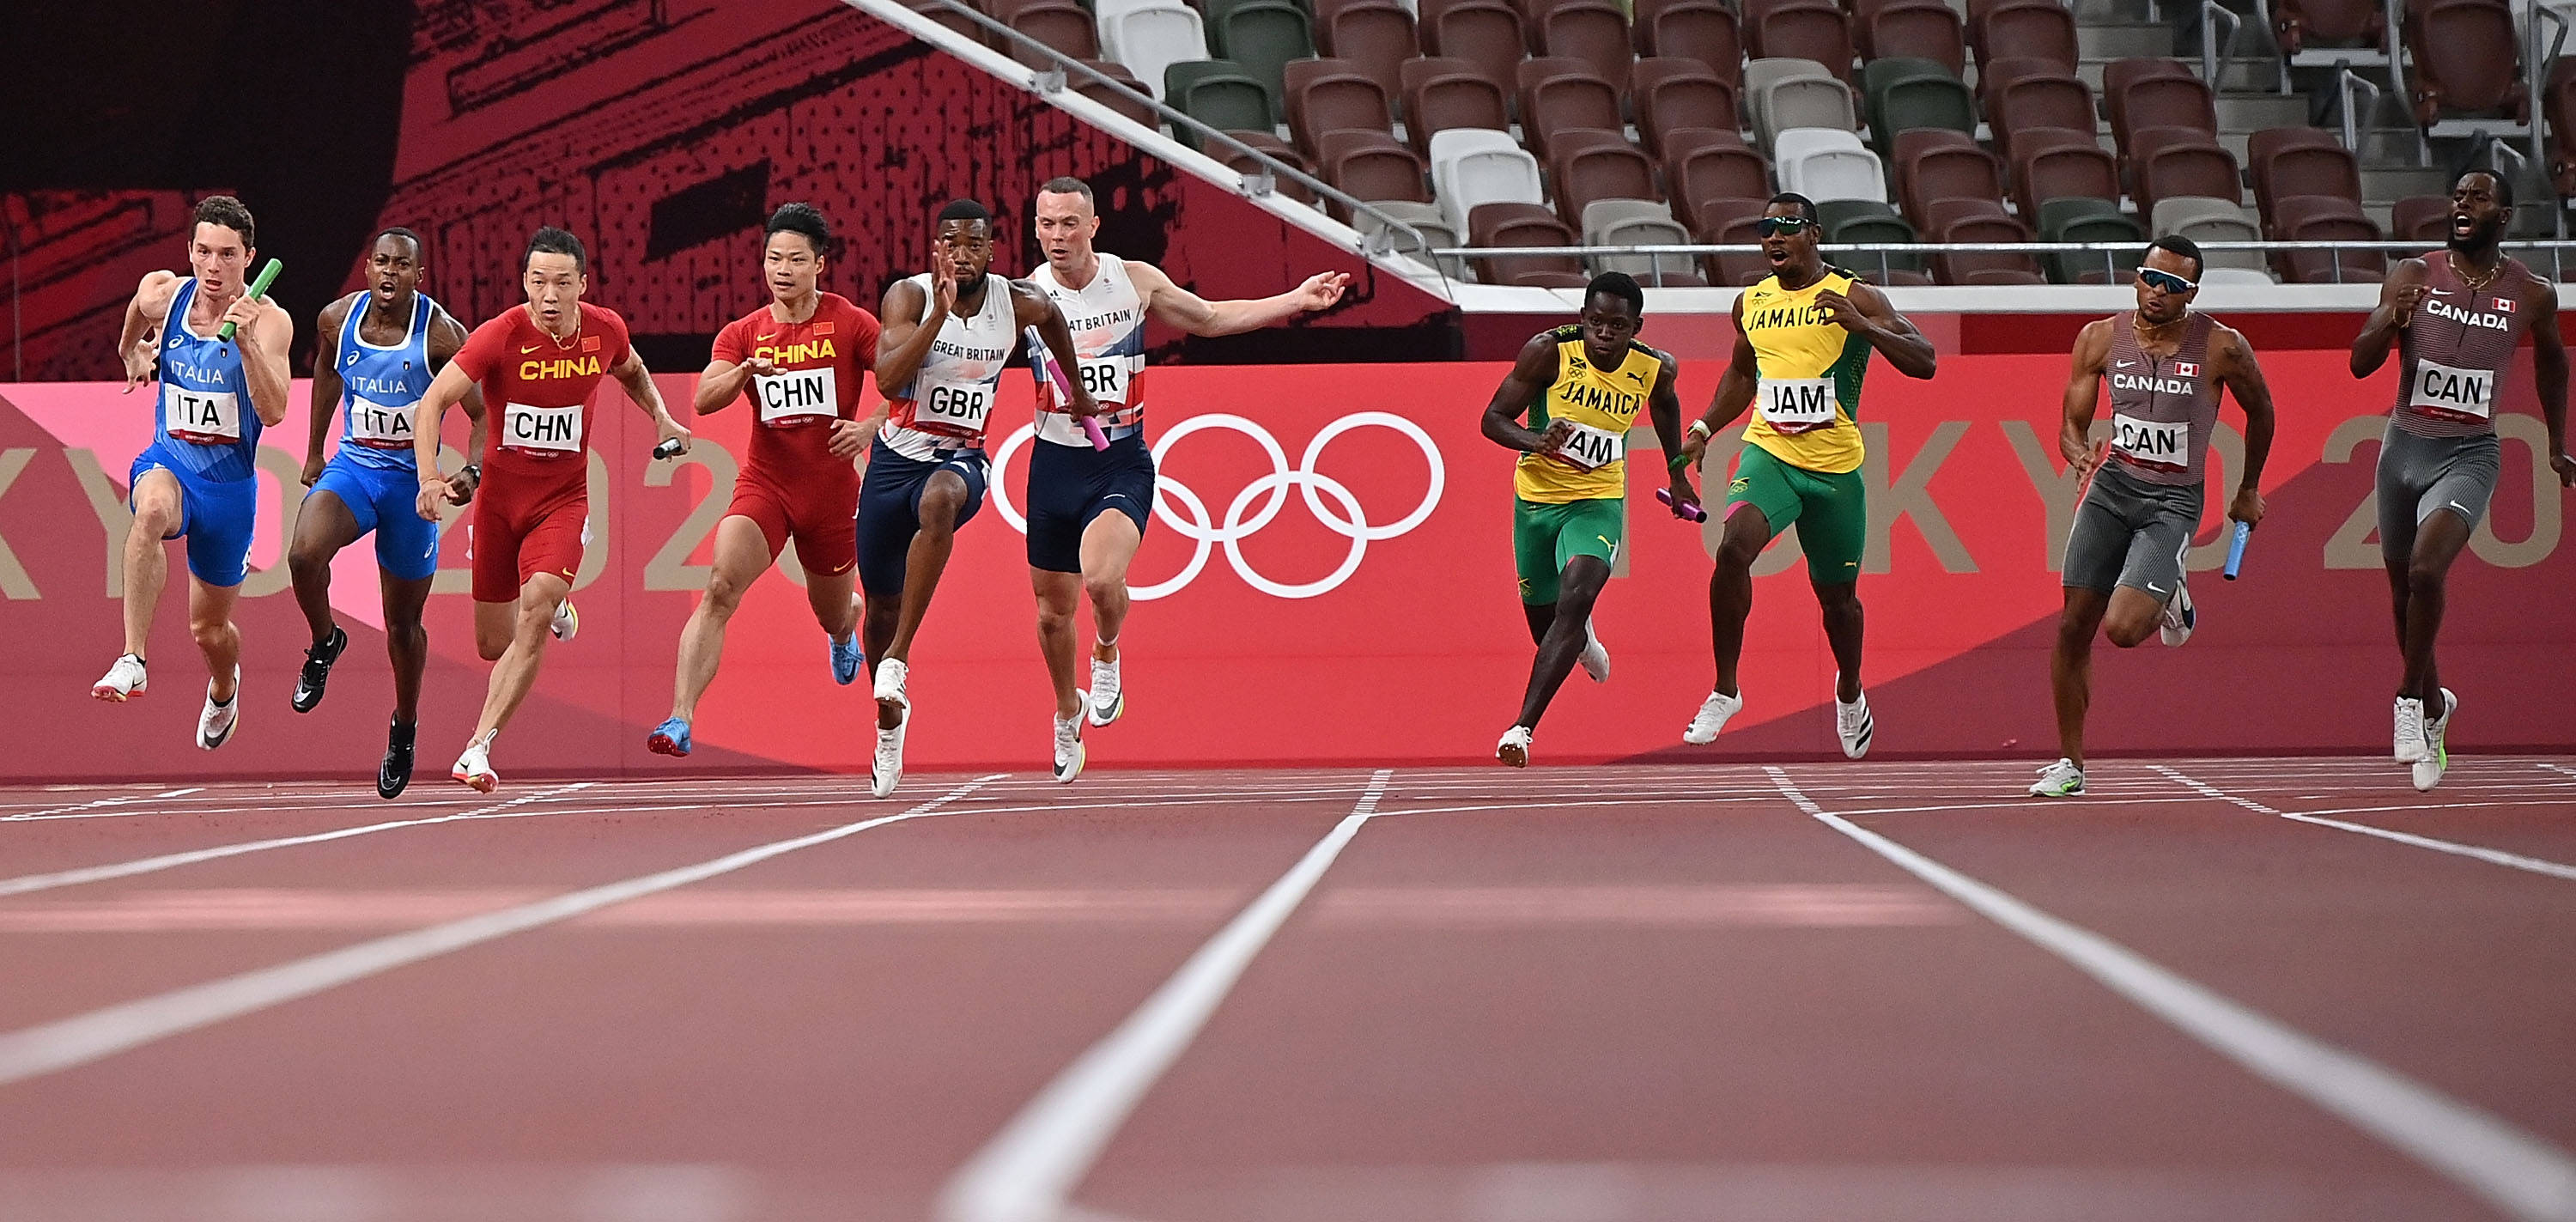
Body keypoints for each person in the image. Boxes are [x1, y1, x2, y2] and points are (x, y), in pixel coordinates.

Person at [1024, 175, 1347, 765]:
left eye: (1070, 224)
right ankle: (1065, 712)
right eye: (1047, 224)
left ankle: (1106, 651)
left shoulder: (1134, 281)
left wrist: (1295, 300)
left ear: (1093, 227)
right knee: (1050, 615)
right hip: (1053, 468)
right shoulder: (1026, 295)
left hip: (1117, 462)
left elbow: (1211, 317)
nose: (1057, 236)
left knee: (1100, 580)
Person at [412, 226, 690, 792]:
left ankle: (477, 747)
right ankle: (556, 610)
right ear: (524, 284)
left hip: (563, 500)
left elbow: (632, 371)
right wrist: (428, 478)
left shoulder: (605, 330)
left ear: (582, 285)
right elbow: (433, 402)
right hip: (497, 504)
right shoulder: (500, 335)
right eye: (539, 281)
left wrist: (660, 416)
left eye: (563, 283)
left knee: (536, 605)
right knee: (494, 643)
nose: (550, 294)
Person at [1675, 192, 1937, 757]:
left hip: (1835, 470)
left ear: (1813, 235)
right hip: (1769, 455)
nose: (1772, 236)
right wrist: (1702, 427)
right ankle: (1726, 688)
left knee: (1838, 601)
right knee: (1731, 550)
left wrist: (1865, 328)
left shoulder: (1853, 294)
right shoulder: (1750, 302)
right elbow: (1743, 377)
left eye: (1786, 226)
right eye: (1765, 227)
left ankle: (1849, 687)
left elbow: (1926, 361)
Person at [2350, 169, 2574, 791]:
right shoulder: (2414, 274)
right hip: (2403, 450)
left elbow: (2553, 363)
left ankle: (2404, 698)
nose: (2462, 204)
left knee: (2427, 570)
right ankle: (2435, 707)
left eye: (2477, 197)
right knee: (2402, 594)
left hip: (2470, 454)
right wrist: (2389, 320)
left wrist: (2557, 444)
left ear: (2504, 215)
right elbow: (2359, 362)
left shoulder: (2532, 292)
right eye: (2457, 196)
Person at [2029, 237, 2275, 798]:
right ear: (2136, 277)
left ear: (2192, 293)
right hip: (2113, 487)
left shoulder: (2222, 347)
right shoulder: (2098, 338)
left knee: (2121, 630)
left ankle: (2170, 593)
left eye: (2173, 286)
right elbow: (2072, 422)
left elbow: (2261, 408)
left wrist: (2249, 488)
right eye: (2150, 278)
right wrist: (2074, 449)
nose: (2157, 292)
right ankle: (2071, 764)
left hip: (2172, 501)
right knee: (2072, 628)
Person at [866, 199, 1095, 794]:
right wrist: (936, 318)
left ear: (992, 250)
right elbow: (888, 380)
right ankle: (890, 722)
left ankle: (901, 658)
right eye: (951, 244)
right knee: (878, 609)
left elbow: (1054, 322)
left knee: (941, 499)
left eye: (973, 245)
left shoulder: (1017, 301)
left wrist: (1075, 390)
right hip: (893, 462)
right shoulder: (909, 298)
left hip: (961, 459)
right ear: (936, 248)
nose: (961, 255)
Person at [648, 204, 881, 758]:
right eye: (774, 258)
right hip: (767, 486)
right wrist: (746, 371)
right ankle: (680, 718)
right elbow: (705, 399)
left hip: (830, 496)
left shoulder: (850, 321)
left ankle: (844, 630)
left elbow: (905, 381)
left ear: (819, 264)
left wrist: (871, 425)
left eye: (796, 259)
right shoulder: (745, 332)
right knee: (720, 587)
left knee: (833, 609)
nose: (782, 269)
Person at [93, 196, 294, 753]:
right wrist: (131, 349)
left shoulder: (272, 321)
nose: (213, 266)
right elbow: (138, 305)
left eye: (227, 254)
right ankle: (133, 658)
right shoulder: (169, 292)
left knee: (209, 631)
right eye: (203, 251)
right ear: (189, 251)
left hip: (229, 493)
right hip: (172, 462)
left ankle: (225, 688)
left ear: (248, 257)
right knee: (150, 509)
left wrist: (248, 341)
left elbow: (275, 410)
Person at [286, 228, 483, 798]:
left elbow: (482, 413)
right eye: (381, 262)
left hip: (410, 486)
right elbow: (326, 370)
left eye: (402, 265)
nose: (390, 273)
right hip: (354, 468)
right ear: (367, 267)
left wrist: (471, 471)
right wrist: (314, 449)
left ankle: (404, 726)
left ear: (419, 276)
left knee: (402, 624)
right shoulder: (336, 319)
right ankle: (325, 642)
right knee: (303, 554)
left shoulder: (442, 336)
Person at [1481, 272, 1698, 766]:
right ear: (1581, 318)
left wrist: (1678, 473)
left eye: (1616, 326)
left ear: (1636, 328)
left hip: (1597, 499)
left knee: (1577, 595)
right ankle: (1582, 639)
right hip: (1536, 500)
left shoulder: (1655, 368)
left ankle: (1521, 730)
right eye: (1595, 323)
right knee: (1548, 627)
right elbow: (1492, 419)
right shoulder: (1547, 352)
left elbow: (1665, 408)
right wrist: (1535, 441)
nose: (1604, 334)